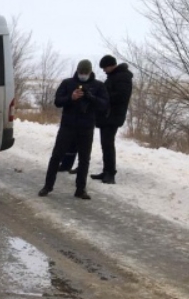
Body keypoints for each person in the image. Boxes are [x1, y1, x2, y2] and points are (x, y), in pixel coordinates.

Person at [38, 59, 109, 200]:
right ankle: (48, 186)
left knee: (84, 159)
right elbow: (58, 101)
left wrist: (91, 97)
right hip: (68, 126)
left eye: (85, 72)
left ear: (90, 72)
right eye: (80, 72)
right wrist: (71, 97)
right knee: (56, 156)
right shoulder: (67, 83)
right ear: (77, 71)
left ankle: (80, 189)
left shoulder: (98, 86)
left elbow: (104, 105)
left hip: (86, 127)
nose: (83, 75)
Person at [91, 54, 134, 184]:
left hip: (112, 116)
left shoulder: (122, 77)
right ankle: (106, 171)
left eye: (105, 68)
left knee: (108, 145)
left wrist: (104, 97)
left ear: (111, 65)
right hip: (108, 116)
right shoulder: (115, 77)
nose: (104, 70)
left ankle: (110, 173)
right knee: (106, 144)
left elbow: (121, 96)